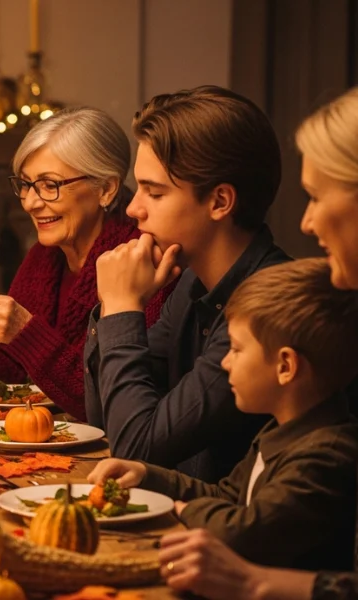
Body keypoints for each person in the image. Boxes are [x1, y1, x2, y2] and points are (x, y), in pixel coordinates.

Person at [154, 86, 358, 600]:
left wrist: (253, 582)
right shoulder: (188, 286)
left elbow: (143, 437)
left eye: (316, 196)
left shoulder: (274, 297)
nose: (306, 221)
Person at [90, 258, 358, 570]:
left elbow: (247, 530)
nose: (226, 362)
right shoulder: (281, 430)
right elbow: (224, 495)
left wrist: (178, 509)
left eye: (236, 349)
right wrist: (146, 475)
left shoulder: (326, 454)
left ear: (285, 366)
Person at [0, 107, 173, 419]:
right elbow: (11, 378)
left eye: (50, 185)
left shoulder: (141, 263)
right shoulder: (43, 257)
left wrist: (26, 332)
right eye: (25, 184)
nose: (31, 203)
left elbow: (107, 402)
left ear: (106, 189)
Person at [85, 86, 291, 482]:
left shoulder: (266, 306)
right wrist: (112, 311)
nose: (132, 208)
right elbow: (108, 421)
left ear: (219, 202)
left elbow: (137, 447)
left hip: (231, 538)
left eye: (154, 192)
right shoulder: (193, 283)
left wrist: (122, 306)